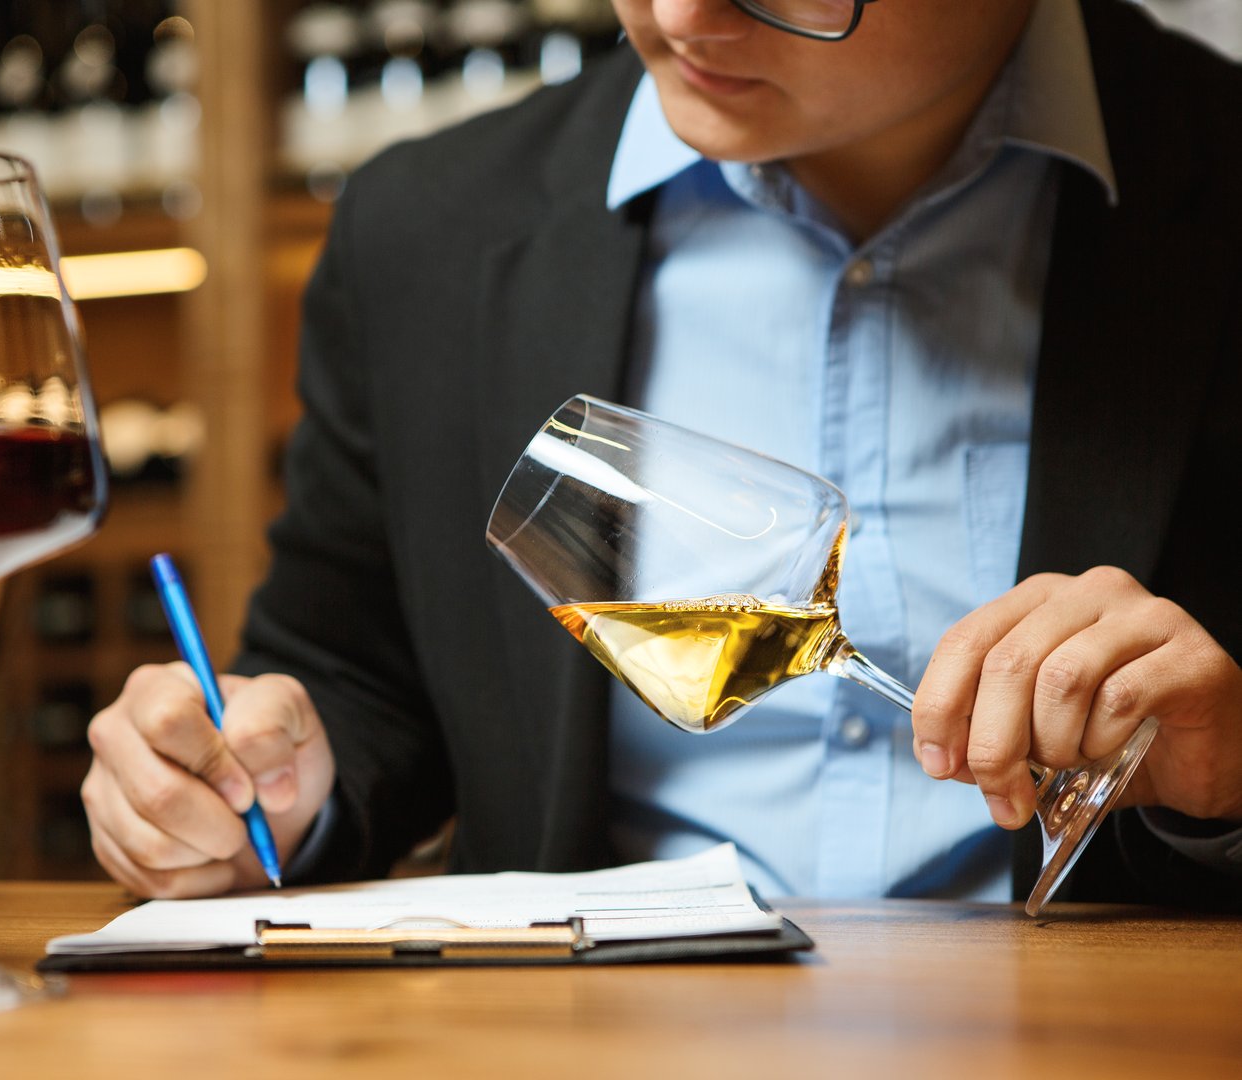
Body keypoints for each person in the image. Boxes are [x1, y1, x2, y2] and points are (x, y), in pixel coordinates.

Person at [82, 0, 1242, 907]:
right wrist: (261, 791)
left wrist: (1227, 780)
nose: (681, 19)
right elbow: (356, 683)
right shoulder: (424, 232)